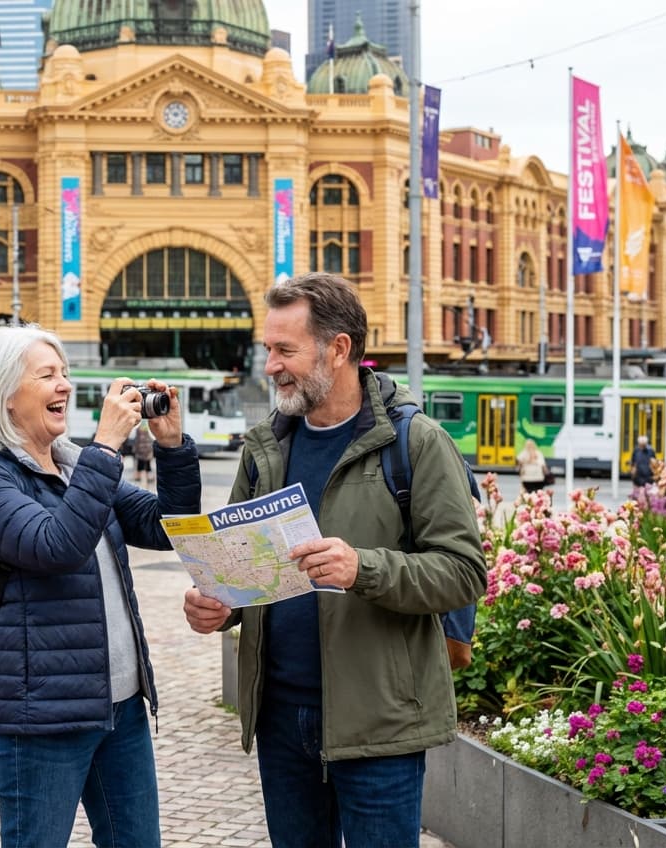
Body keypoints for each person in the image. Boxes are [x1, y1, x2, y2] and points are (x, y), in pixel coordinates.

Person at [182, 273, 486, 848]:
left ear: (338, 349)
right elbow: (241, 567)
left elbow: (465, 573)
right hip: (280, 719)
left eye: (284, 350)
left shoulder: (416, 443)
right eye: (267, 349)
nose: (270, 365)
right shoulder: (265, 448)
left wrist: (362, 568)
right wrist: (219, 606)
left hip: (379, 724)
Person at [0, 326, 202, 847]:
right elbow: (56, 546)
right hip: (42, 715)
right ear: (4, 397)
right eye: (46, 375)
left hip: (121, 706)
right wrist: (106, 447)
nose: (64, 385)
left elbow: (167, 526)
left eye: (65, 372)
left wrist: (172, 447)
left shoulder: (71, 467)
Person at [131, 420, 155, 486]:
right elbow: (153, 438)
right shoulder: (149, 422)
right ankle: (146, 482)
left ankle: (144, 484)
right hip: (148, 449)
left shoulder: (138, 423)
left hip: (140, 450)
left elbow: (133, 436)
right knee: (147, 467)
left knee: (142, 467)